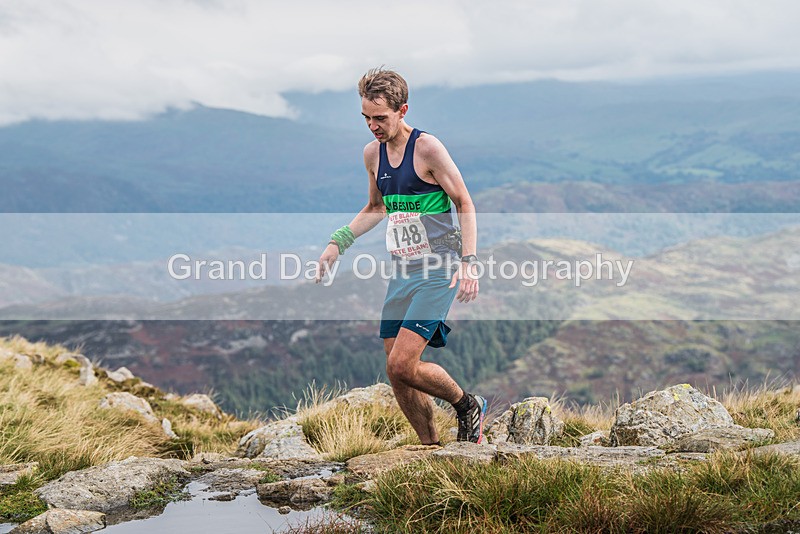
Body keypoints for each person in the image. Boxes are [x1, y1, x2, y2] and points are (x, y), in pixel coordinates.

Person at [316, 67, 486, 445]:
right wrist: (338, 242)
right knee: (397, 373)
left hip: (438, 268)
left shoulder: (428, 149)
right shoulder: (371, 155)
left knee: (401, 363)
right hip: (402, 271)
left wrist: (470, 262)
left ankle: (467, 405)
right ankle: (430, 446)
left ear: (402, 110)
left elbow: (463, 201)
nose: (373, 126)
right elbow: (376, 207)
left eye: (380, 118)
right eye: (366, 118)